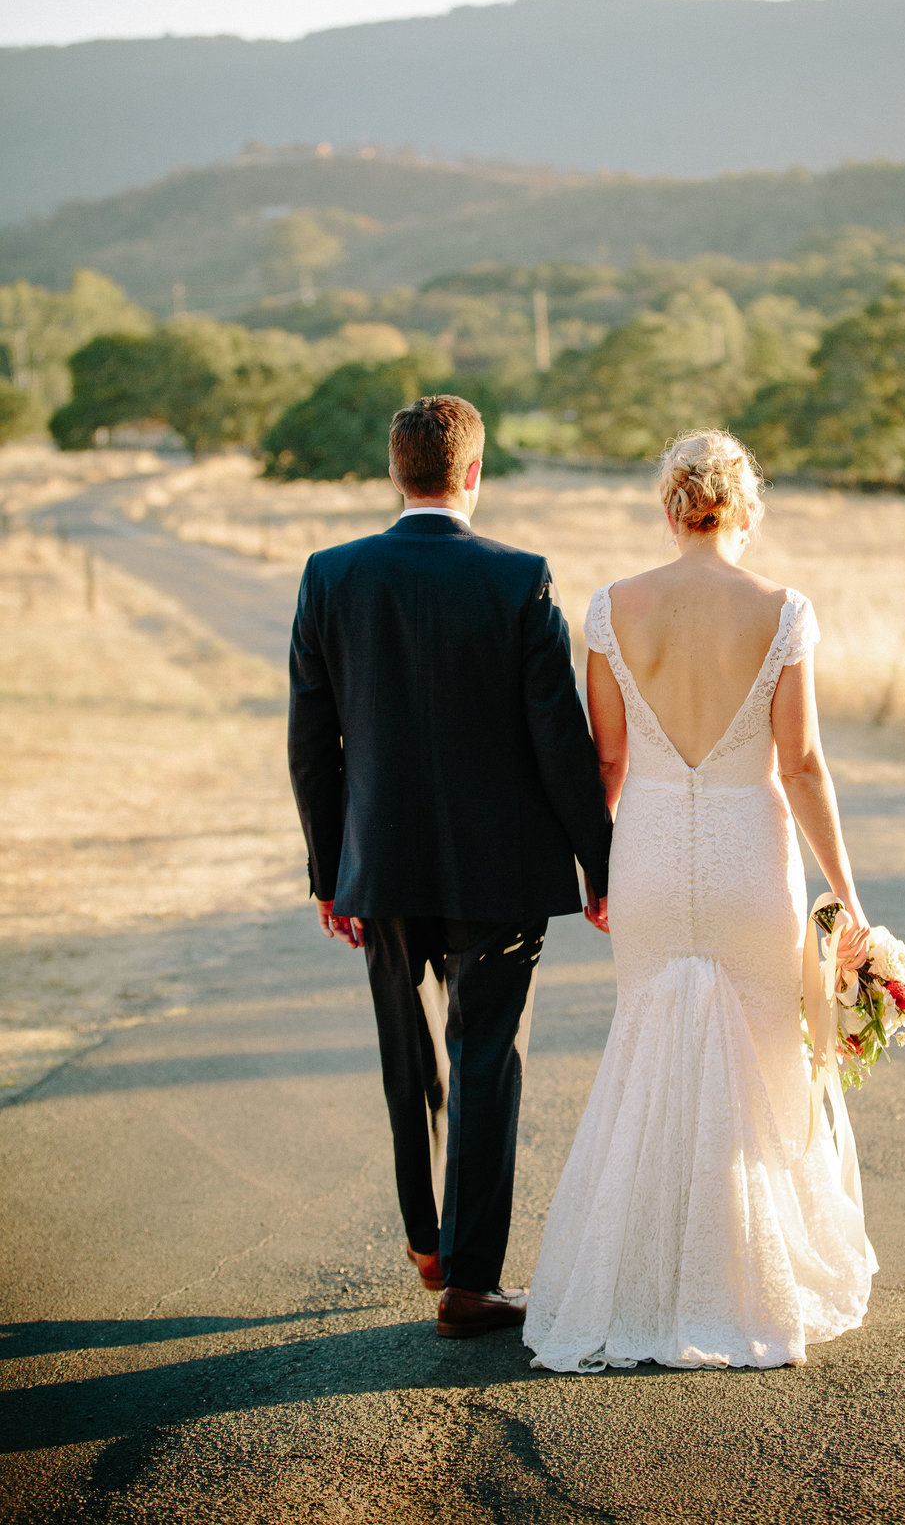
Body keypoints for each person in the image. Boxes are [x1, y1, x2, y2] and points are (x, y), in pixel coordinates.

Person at [524, 428, 877, 1373]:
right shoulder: (782, 610)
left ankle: (640, 1281)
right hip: (748, 857)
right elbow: (799, 764)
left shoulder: (612, 608)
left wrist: (597, 871)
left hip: (644, 852)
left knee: (649, 1041)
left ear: (670, 506)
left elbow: (606, 761)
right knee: (764, 1057)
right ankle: (745, 1283)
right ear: (744, 506)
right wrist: (848, 899)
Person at [288, 394, 611, 1340]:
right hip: (499, 872)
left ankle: (426, 1242)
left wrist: (326, 872)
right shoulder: (520, 579)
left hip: (378, 867)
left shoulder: (331, 575)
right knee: (485, 1060)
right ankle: (471, 1279)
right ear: (474, 473)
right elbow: (561, 738)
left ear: (399, 473)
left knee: (408, 1054)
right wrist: (603, 862)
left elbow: (313, 741)